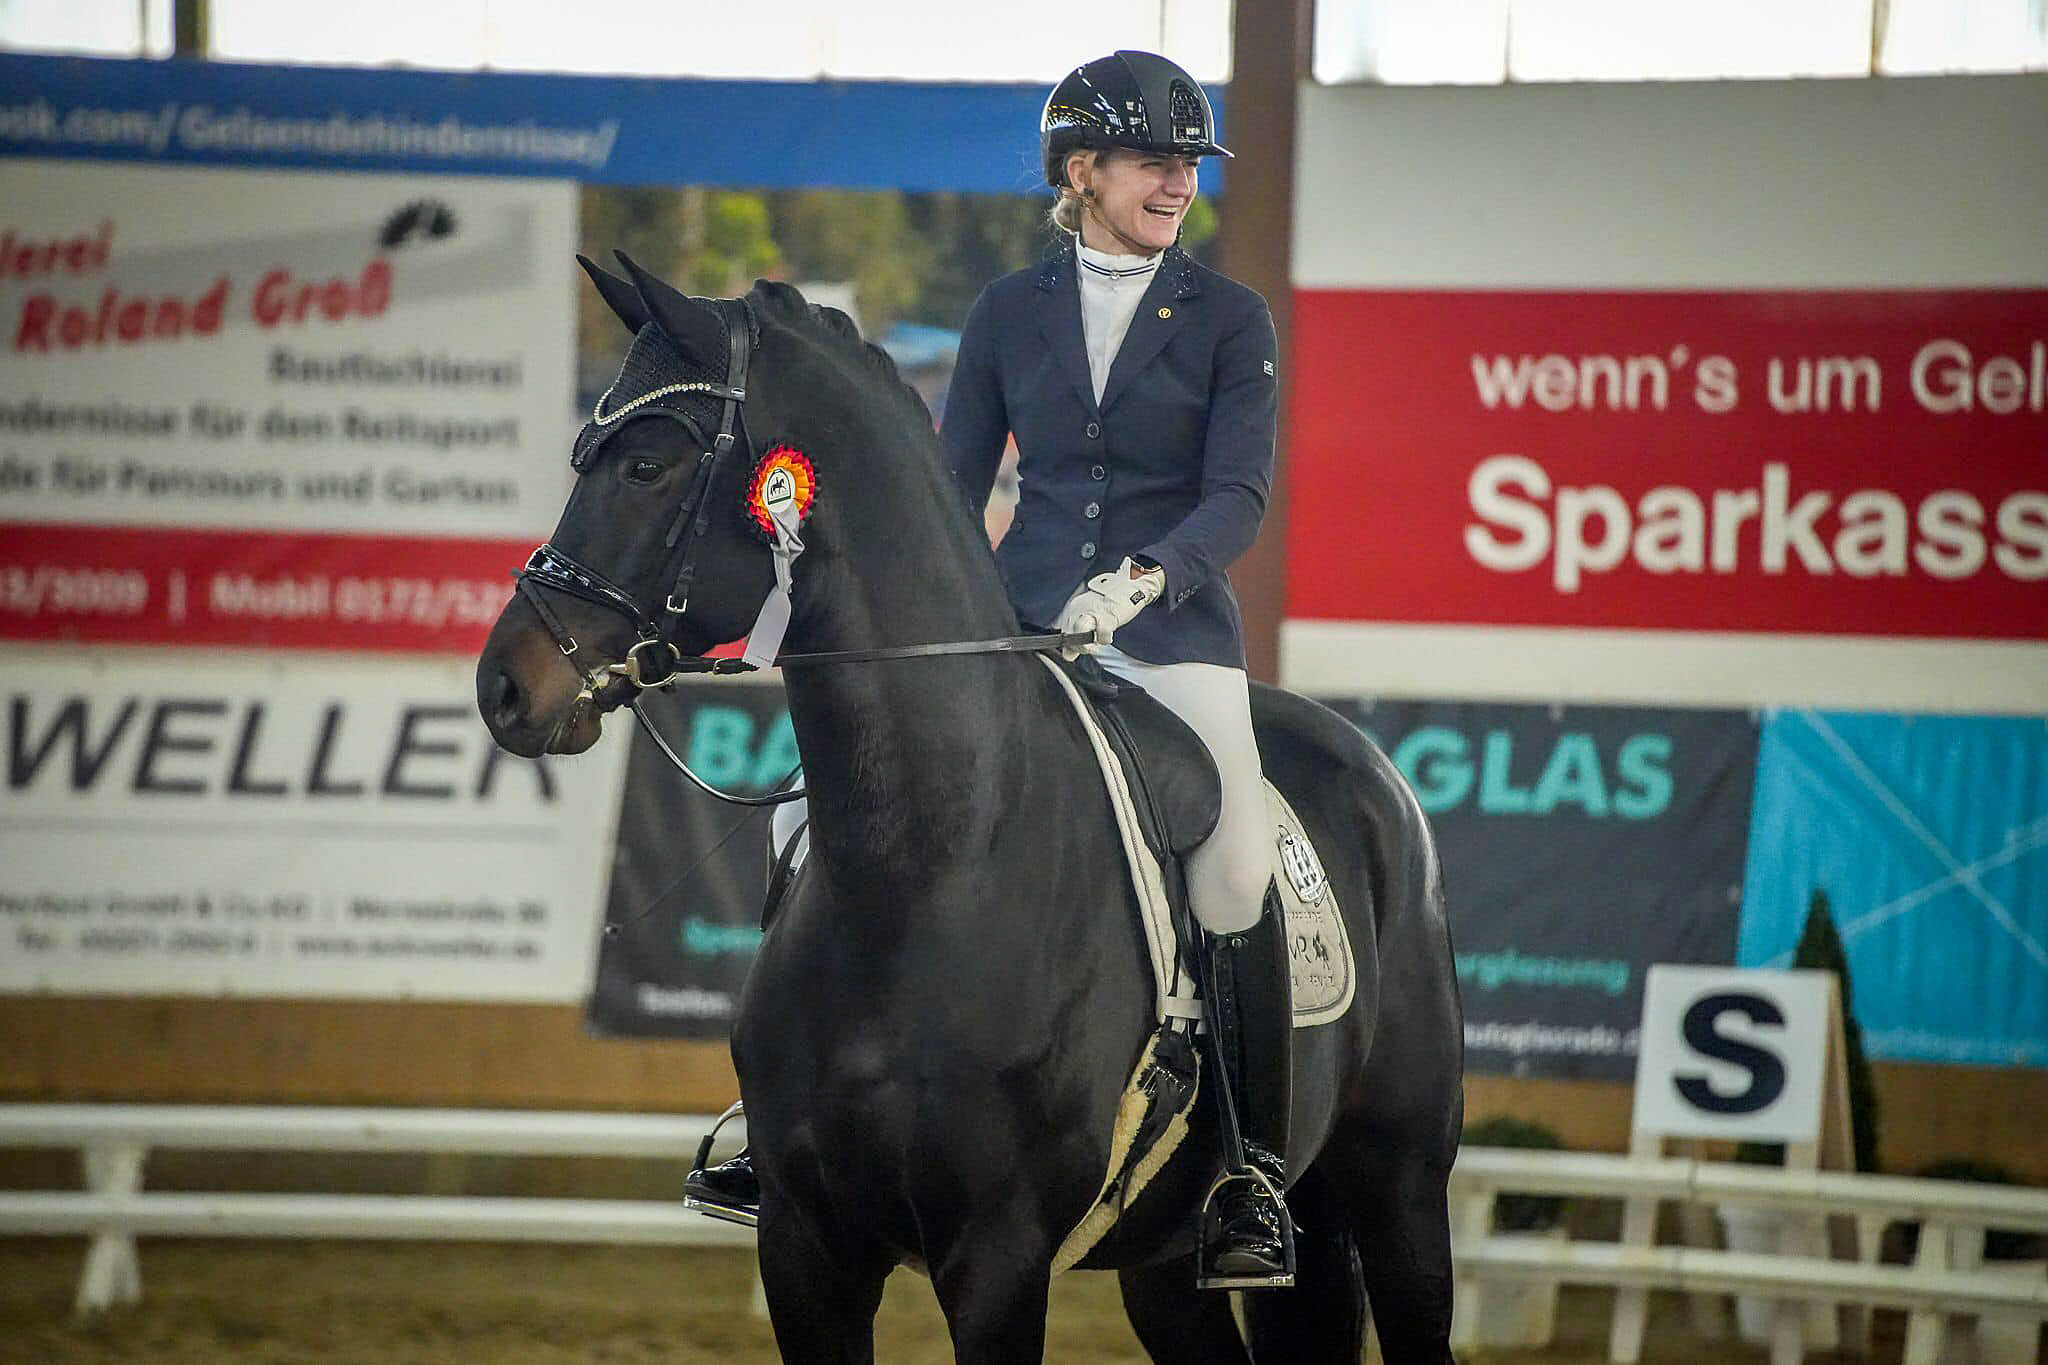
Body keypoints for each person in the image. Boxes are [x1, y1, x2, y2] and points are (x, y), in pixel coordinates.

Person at [687, 49, 1293, 1289]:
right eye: (1151, 161)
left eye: (1187, 163)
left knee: (1234, 869)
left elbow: (1236, 495)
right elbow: (949, 491)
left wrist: (1147, 578)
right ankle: (774, 1120)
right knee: (806, 813)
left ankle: (1244, 1165)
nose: (1177, 182)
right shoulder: (1009, 313)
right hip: (1015, 632)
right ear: (1082, 171)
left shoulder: (1230, 319)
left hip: (1169, 638)